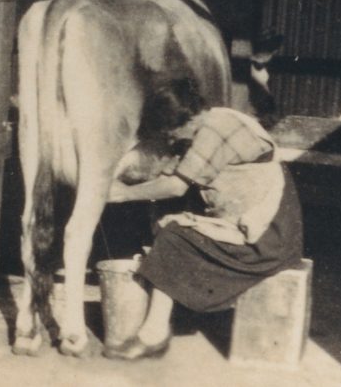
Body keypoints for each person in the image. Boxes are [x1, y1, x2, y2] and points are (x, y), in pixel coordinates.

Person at [104, 77, 303, 360]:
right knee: (170, 221)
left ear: (185, 121)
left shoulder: (216, 131)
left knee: (174, 236)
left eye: (171, 133)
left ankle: (153, 334)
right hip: (261, 222)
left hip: (267, 235)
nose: (172, 140)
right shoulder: (215, 120)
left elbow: (176, 185)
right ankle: (169, 311)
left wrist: (122, 193)